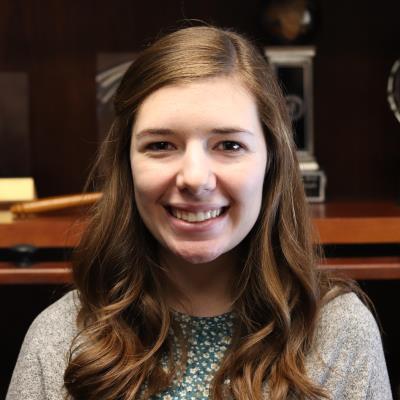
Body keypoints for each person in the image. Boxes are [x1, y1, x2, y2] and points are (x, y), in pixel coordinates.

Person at [6, 25, 392, 400]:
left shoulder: (339, 333)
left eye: (229, 145)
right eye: (161, 145)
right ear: (126, 165)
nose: (194, 178)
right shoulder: (60, 339)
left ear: (271, 162)